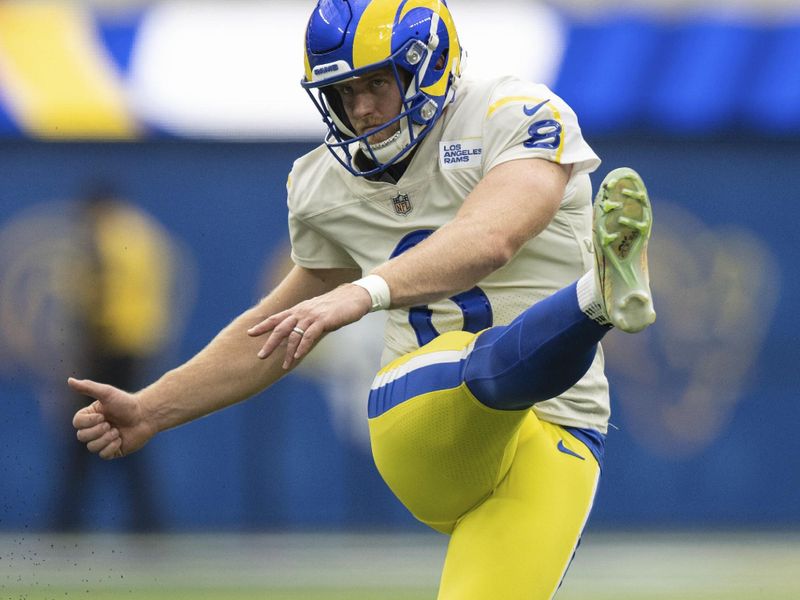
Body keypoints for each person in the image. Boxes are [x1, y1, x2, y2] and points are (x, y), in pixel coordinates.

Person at [71, 1, 656, 597]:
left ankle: (596, 298)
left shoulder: (514, 113)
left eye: (376, 82)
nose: (361, 108)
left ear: (428, 66)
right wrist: (150, 409)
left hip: (559, 428)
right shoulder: (322, 183)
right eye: (344, 92)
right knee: (476, 358)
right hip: (424, 422)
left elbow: (492, 237)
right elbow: (273, 333)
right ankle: (595, 299)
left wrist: (365, 291)